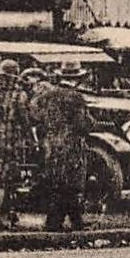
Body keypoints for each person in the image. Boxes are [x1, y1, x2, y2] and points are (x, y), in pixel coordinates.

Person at [31, 63, 93, 232]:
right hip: (71, 145)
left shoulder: (47, 96)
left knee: (56, 184)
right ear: (78, 78)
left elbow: (35, 116)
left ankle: (63, 220)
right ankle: (65, 221)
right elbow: (84, 123)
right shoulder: (76, 98)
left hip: (51, 145)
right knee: (72, 185)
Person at [0, 59, 34, 230]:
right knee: (6, 177)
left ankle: (6, 212)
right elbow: (24, 118)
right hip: (10, 139)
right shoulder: (18, 93)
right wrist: (30, 137)